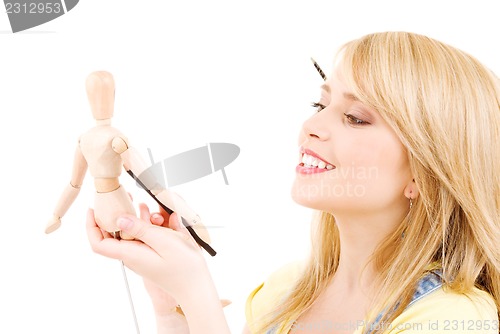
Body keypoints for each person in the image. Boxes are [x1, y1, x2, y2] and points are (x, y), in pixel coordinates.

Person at [86, 31, 500, 334]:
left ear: (424, 174)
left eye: (355, 117)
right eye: (320, 104)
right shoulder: (284, 292)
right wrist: (172, 309)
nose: (312, 125)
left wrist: (197, 293)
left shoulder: (453, 320)